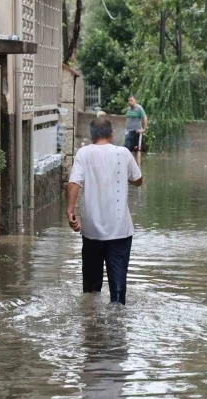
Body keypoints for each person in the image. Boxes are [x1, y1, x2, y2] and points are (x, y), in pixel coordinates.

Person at [67, 117, 143, 305]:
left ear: (91, 135)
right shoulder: (123, 154)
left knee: (91, 291)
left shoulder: (83, 153)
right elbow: (138, 179)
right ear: (112, 134)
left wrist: (70, 211)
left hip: (92, 231)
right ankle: (116, 327)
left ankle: (92, 328)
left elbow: (74, 183)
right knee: (118, 290)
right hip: (120, 231)